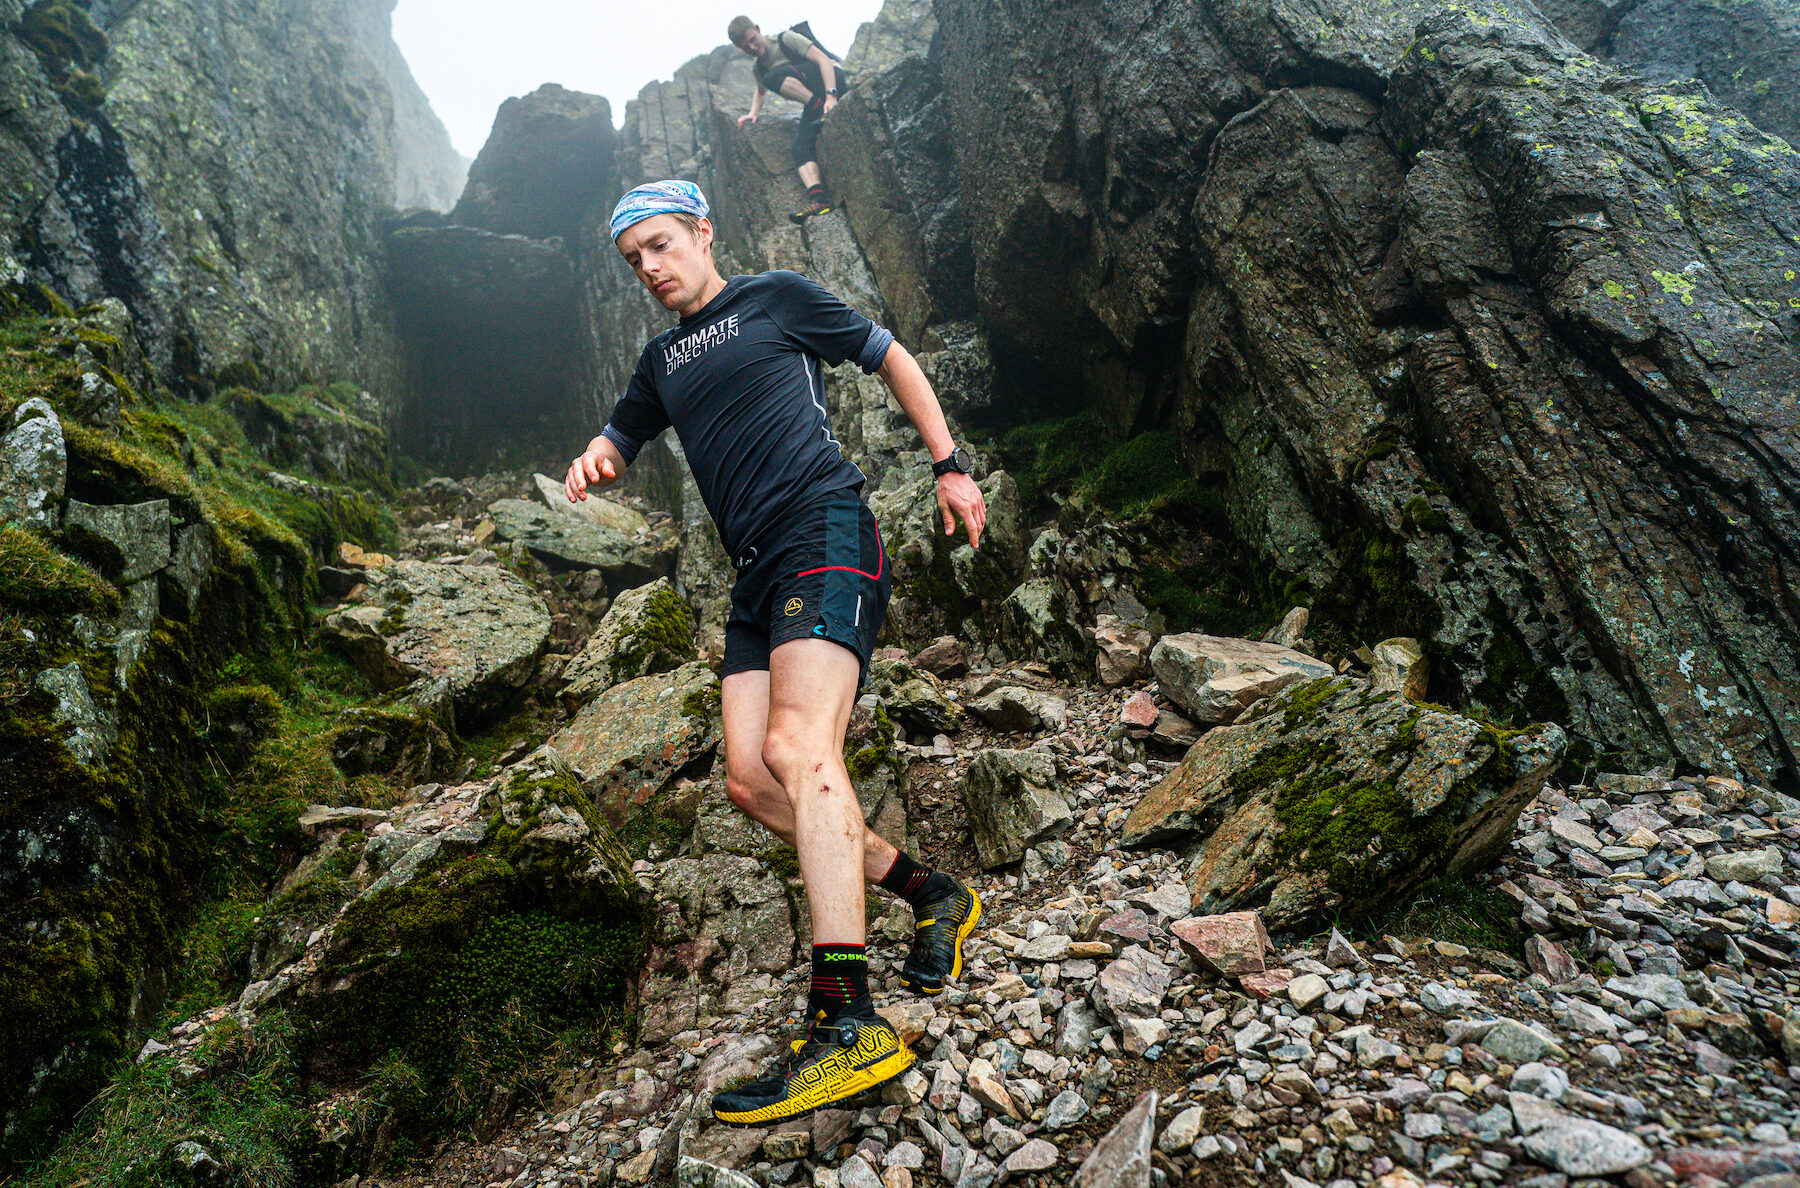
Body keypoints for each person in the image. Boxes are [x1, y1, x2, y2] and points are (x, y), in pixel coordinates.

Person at [566, 180, 987, 1124]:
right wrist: (598, 456)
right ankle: (932, 892)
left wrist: (948, 466)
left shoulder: (777, 298)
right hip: (753, 573)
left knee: (802, 750)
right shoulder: (659, 360)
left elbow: (893, 358)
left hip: (823, 526)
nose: (652, 268)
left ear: (704, 232)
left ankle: (848, 1023)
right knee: (753, 783)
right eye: (635, 260)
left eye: (663, 246)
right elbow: (621, 432)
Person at [728, 15, 847, 224]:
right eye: (746, 48)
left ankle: (820, 108)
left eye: (752, 40)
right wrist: (752, 113)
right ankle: (819, 200)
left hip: (831, 80)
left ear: (757, 28)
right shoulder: (760, 68)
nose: (752, 48)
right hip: (815, 102)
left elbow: (823, 60)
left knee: (773, 76)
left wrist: (831, 95)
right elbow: (761, 92)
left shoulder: (786, 39)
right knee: (800, 147)